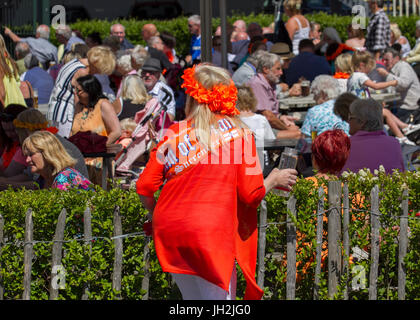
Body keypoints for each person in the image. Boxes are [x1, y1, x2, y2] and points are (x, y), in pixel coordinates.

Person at [136, 63, 298, 300]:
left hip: (170, 230)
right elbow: (251, 194)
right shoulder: (241, 136)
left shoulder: (172, 132)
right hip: (210, 233)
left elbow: (144, 187)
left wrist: (154, 212)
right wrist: (272, 179)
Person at [348, 50, 416, 145]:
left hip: (358, 108)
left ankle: (404, 128)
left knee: (384, 112)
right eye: (369, 68)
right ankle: (401, 135)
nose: (370, 71)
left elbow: (363, 94)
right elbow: (376, 86)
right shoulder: (360, 76)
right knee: (386, 113)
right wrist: (392, 82)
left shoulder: (352, 77)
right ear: (362, 65)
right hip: (361, 110)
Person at [47, 45, 116, 138]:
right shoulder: (83, 72)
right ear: (96, 64)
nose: (97, 74)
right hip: (66, 116)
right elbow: (78, 96)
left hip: (56, 111)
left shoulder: (74, 63)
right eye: (99, 70)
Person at [70, 74, 121, 185]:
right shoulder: (79, 106)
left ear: (90, 91)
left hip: (98, 161)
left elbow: (116, 131)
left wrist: (99, 147)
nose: (76, 94)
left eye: (79, 91)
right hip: (79, 159)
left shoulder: (103, 105)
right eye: (75, 90)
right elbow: (73, 131)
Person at [341, 98, 405, 174]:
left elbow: (335, 180)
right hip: (389, 185)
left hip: (351, 185)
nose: (348, 121)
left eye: (350, 118)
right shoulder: (394, 143)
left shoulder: (344, 145)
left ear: (361, 122)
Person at [246, 51, 301, 139]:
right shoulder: (257, 84)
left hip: (267, 127)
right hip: (259, 131)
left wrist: (281, 117)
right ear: (265, 69)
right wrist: (287, 129)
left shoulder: (269, 83)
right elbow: (268, 116)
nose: (281, 73)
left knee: (297, 130)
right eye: (278, 69)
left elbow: (271, 113)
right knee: (297, 134)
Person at [22, 131, 93, 190]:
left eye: (31, 154)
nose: (27, 160)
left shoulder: (65, 178)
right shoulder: (41, 180)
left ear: (47, 154)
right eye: (26, 155)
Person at [300, 75, 350, 143]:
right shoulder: (347, 107)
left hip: (323, 151)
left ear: (323, 94)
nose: (314, 98)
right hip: (348, 149)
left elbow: (304, 139)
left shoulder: (315, 111)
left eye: (315, 94)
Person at [236, 85, 275, 169]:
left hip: (238, 165)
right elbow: (272, 143)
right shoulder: (261, 120)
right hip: (260, 164)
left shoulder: (230, 121)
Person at [377, 47, 420, 124]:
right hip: (397, 106)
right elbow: (387, 89)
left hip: (409, 108)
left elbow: (404, 84)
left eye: (387, 60)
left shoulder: (403, 66)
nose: (385, 63)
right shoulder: (392, 69)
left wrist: (387, 75)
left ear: (396, 58)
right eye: (384, 60)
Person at [140, 58, 175, 122]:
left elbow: (171, 116)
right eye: (145, 72)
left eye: (151, 72)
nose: (147, 75)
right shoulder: (136, 87)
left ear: (158, 75)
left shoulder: (165, 91)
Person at [0, 104, 27, 177]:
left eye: (13, 130)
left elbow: (8, 175)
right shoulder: (9, 143)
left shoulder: (25, 148)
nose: (9, 135)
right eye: (6, 131)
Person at [0, 35, 27, 107]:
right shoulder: (10, 62)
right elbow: (18, 83)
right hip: (18, 104)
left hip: (7, 106)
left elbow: (1, 94)